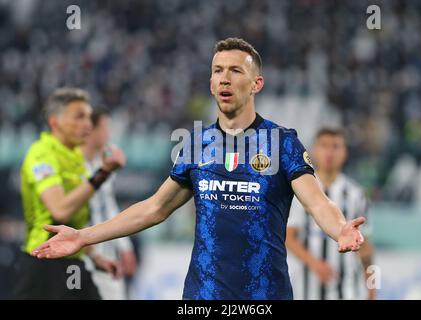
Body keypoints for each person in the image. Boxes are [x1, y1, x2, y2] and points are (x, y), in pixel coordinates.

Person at [32, 38, 365, 300]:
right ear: (210, 82)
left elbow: (317, 202)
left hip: (266, 297)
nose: (224, 77)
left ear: (256, 84)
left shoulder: (282, 143)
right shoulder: (195, 145)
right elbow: (154, 208)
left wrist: (340, 229)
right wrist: (82, 236)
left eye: (236, 71)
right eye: (218, 70)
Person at [15, 88, 126, 299]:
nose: (88, 124)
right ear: (55, 122)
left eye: (88, 116)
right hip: (44, 262)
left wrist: (94, 256)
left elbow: (75, 220)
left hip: (71, 260)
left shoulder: (75, 155)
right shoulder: (42, 155)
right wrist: (102, 173)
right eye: (79, 116)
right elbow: (61, 210)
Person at [286, 128, 375, 300]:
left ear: (344, 153)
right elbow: (288, 237)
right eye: (324, 146)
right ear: (313, 151)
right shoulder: (300, 189)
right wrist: (315, 264)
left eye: (335, 146)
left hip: (348, 290)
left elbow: (366, 247)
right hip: (306, 290)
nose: (329, 152)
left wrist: (373, 288)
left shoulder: (356, 194)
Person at [82, 108, 137, 300]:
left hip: (106, 253)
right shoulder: (74, 166)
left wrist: (125, 247)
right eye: (105, 127)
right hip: (82, 253)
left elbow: (109, 206)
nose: (109, 133)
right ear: (92, 130)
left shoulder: (104, 163)